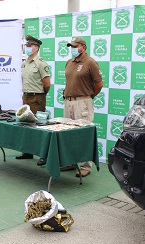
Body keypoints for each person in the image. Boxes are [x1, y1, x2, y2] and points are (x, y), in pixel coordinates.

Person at [64, 36, 103, 177]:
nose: (72, 49)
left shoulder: (90, 62)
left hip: (83, 102)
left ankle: (86, 165)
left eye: (75, 46)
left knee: (83, 134)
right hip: (68, 101)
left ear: (83, 47)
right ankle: (70, 162)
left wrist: (88, 97)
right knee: (67, 133)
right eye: (71, 46)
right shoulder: (69, 62)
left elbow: (99, 85)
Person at [16, 35, 51, 166]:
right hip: (26, 97)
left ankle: (43, 155)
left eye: (30, 46)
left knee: (38, 126)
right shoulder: (25, 63)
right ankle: (28, 151)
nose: (27, 48)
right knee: (26, 125)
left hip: (37, 97)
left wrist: (40, 95)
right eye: (27, 46)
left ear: (36, 48)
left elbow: (47, 84)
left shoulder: (41, 63)